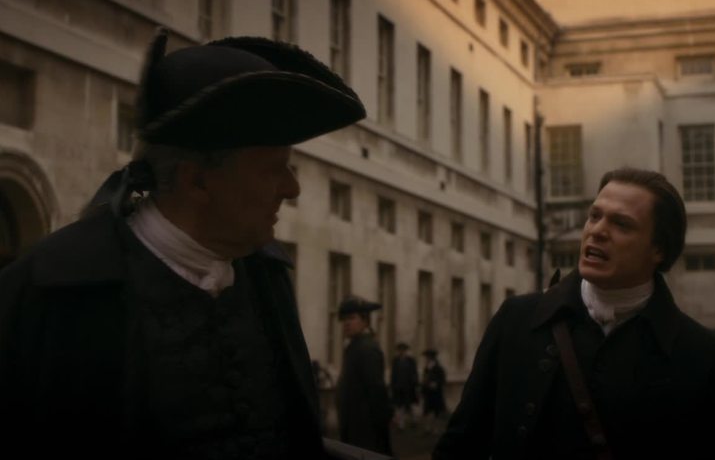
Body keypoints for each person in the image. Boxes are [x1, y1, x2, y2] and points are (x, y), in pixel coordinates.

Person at [0, 28, 365, 459]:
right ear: (197, 182)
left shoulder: (268, 277)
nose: (292, 189)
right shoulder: (47, 297)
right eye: (274, 169)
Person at [433, 167, 715, 460]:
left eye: (621, 224)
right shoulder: (517, 320)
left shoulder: (701, 352)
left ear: (659, 249)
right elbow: (461, 446)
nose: (597, 231)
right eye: (594, 216)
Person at [335, 295, 393, 455]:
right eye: (344, 319)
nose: (346, 323)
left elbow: (376, 389)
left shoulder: (367, 348)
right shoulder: (354, 346)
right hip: (353, 425)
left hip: (365, 429)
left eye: (352, 318)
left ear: (365, 321)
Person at [390, 342, 419, 429]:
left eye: (403, 350)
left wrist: (415, 384)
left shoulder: (411, 361)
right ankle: (401, 424)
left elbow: (414, 373)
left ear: (406, 351)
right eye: (400, 350)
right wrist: (393, 385)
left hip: (409, 387)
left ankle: (414, 420)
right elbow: (393, 375)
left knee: (411, 405)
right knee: (400, 406)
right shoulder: (395, 361)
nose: (402, 352)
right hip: (398, 387)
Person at [421, 348, 447, 434]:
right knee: (427, 410)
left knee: (436, 411)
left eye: (428, 357)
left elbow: (442, 379)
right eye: (426, 357)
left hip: (436, 393)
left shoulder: (438, 368)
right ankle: (428, 428)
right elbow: (424, 379)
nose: (427, 359)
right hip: (428, 392)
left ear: (432, 358)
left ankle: (436, 428)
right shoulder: (426, 368)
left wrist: (436, 383)